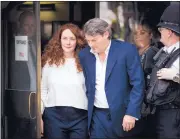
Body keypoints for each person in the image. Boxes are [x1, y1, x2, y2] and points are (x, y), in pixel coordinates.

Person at [79, 18, 144, 138]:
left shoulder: (127, 50)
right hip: (97, 116)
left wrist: (131, 113)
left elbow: (138, 84)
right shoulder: (84, 55)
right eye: (88, 40)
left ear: (106, 34)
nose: (91, 45)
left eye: (94, 40)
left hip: (123, 115)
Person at [41, 23, 88, 139]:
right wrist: (40, 117)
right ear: (59, 40)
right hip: (53, 116)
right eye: (65, 38)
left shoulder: (85, 63)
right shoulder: (49, 63)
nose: (68, 42)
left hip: (80, 117)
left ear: (77, 41)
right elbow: (43, 89)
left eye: (72, 38)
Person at [145, 3, 180, 139]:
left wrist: (176, 76)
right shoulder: (164, 51)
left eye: (161, 30)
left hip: (174, 114)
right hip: (159, 112)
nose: (160, 33)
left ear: (170, 32)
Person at [132, 19, 160, 138]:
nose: (138, 36)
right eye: (136, 33)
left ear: (151, 35)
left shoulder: (151, 53)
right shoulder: (136, 52)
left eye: (142, 32)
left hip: (147, 106)